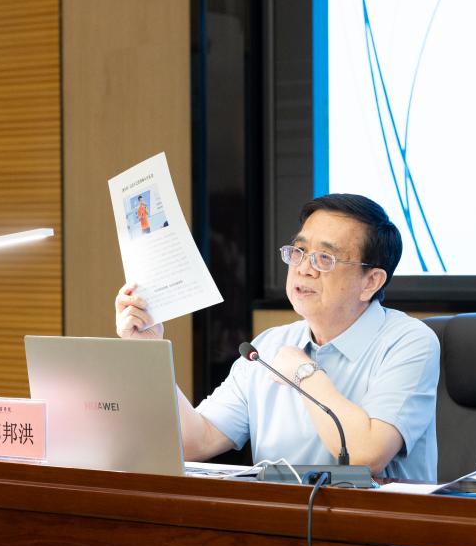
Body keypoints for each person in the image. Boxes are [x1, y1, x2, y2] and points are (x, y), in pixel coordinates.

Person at [115, 193, 439, 479]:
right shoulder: (268, 346)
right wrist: (148, 351)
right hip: (275, 523)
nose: (303, 268)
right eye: (299, 251)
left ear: (371, 282)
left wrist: (304, 373)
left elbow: (365, 455)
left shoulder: (409, 342)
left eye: (324, 258)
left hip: (372, 526)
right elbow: (194, 443)